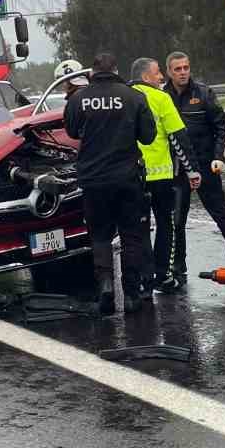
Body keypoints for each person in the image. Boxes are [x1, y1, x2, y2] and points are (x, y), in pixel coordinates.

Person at [62, 52, 156, 312]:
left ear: (92, 72)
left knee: (100, 236)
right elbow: (148, 136)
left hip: (93, 181)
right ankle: (132, 294)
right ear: (116, 70)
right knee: (131, 235)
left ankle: (105, 288)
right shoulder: (134, 97)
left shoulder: (78, 98)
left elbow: (71, 131)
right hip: (127, 178)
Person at [164, 50, 225, 278]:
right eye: (177, 69)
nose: (183, 72)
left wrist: (219, 157)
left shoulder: (203, 92)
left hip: (206, 165)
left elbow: (221, 126)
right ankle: (178, 267)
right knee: (177, 221)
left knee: (221, 215)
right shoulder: (163, 96)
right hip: (178, 168)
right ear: (169, 72)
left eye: (186, 68)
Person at [129, 57, 200, 293]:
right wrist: (191, 170)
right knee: (165, 225)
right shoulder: (161, 98)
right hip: (160, 177)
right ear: (146, 76)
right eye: (158, 72)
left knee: (138, 229)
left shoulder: (125, 98)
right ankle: (163, 277)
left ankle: (143, 280)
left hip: (132, 176)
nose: (161, 77)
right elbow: (178, 137)